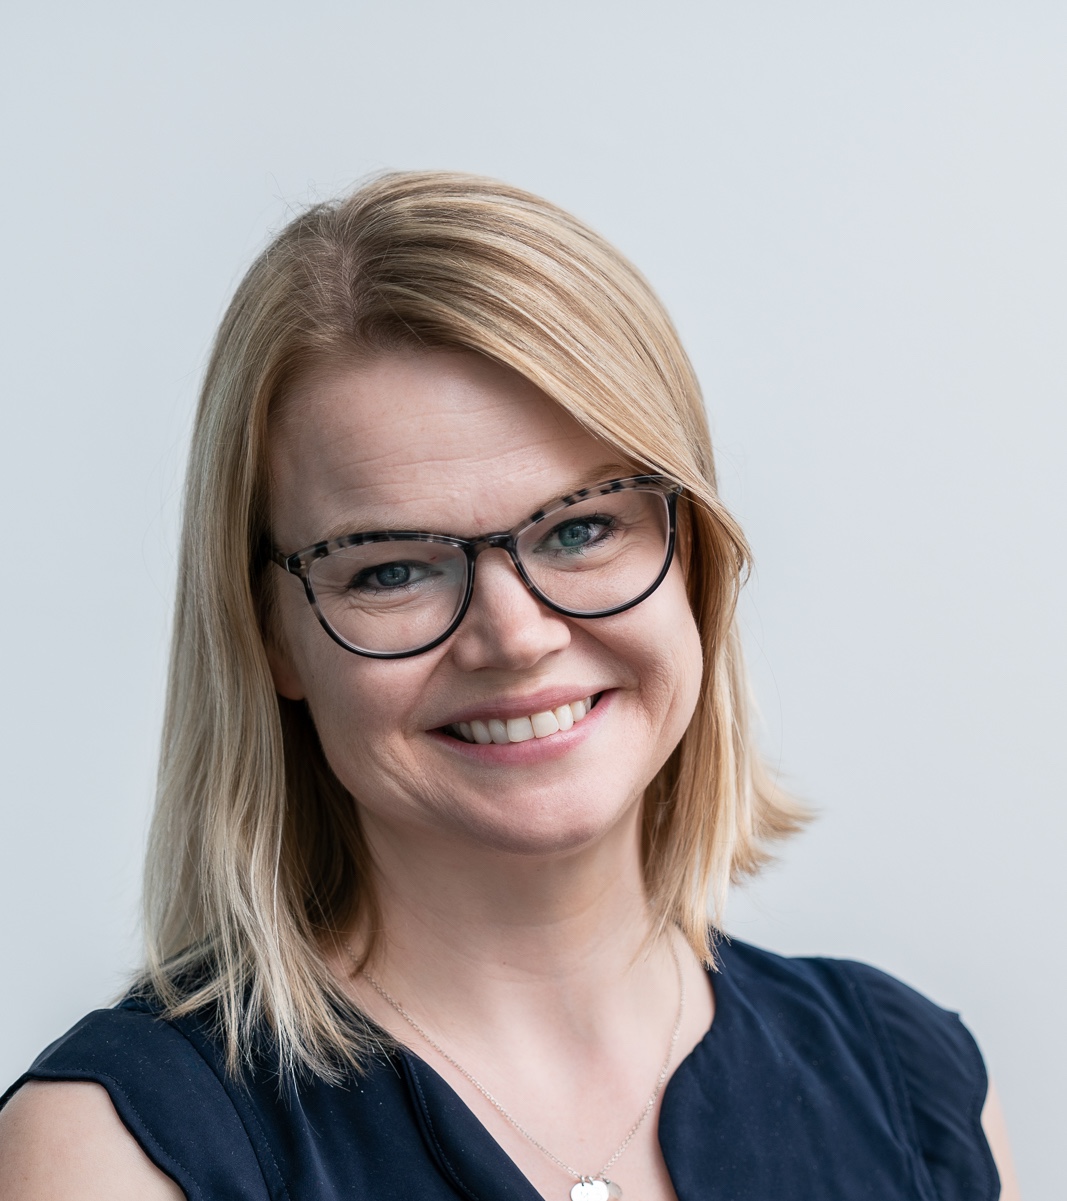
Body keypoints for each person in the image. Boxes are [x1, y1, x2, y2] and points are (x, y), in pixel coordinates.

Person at [0, 171, 1020, 1200]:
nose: (515, 637)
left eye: (582, 527)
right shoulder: (112, 1150)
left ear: (695, 558)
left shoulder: (915, 1091)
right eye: (390, 569)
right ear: (270, 635)